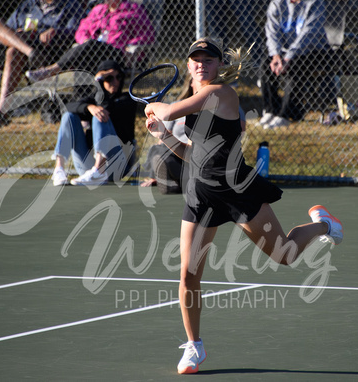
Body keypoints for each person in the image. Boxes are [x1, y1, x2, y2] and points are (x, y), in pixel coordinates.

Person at [143, 37, 343, 374]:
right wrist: (164, 136)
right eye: (196, 59)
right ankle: (194, 346)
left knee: (285, 255)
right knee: (189, 275)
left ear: (220, 65)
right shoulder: (196, 99)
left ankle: (323, 223)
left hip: (237, 190)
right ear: (189, 64)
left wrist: (155, 109)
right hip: (201, 195)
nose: (201, 64)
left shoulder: (220, 94)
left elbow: (168, 110)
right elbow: (194, 155)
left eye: (209, 59)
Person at [0, 0, 85, 128]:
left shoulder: (70, 4)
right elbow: (7, 27)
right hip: (24, 47)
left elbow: (78, 31)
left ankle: (1, 112)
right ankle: (29, 52)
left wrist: (55, 32)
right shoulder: (30, 3)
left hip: (48, 53)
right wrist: (18, 33)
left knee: (12, 51)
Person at [25, 0, 155, 82]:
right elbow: (81, 29)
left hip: (117, 53)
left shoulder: (133, 10)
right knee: (87, 52)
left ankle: (51, 70)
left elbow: (148, 34)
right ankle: (84, 113)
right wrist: (84, 41)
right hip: (91, 51)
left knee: (90, 46)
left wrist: (131, 47)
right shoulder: (98, 10)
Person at [51, 59, 137, 186]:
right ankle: (59, 169)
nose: (116, 81)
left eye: (118, 77)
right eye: (109, 78)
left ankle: (99, 170)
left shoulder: (128, 99)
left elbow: (107, 107)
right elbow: (69, 107)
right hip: (87, 167)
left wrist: (95, 105)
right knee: (69, 116)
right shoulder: (93, 99)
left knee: (100, 114)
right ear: (102, 81)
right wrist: (89, 107)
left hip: (117, 166)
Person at [257, 0, 333, 129]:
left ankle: (285, 115)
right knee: (265, 64)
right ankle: (270, 111)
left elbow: (309, 34)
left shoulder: (315, 3)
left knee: (296, 66)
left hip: (312, 52)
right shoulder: (277, 4)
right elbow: (272, 33)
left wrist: (288, 58)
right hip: (283, 53)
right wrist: (276, 56)